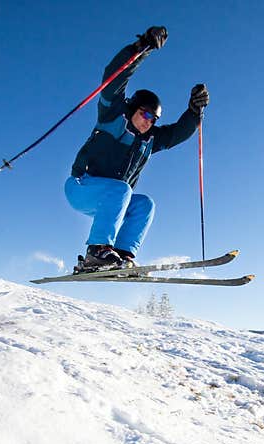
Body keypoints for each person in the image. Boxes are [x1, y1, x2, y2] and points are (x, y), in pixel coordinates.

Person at [65, 26, 210, 269]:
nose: (148, 121)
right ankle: (98, 251)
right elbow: (114, 78)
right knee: (121, 190)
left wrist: (194, 113)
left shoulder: (148, 140)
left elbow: (177, 133)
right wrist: (141, 48)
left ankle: (121, 255)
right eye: (145, 113)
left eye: (154, 118)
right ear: (133, 108)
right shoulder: (112, 117)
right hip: (81, 186)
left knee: (144, 204)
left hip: (111, 199)